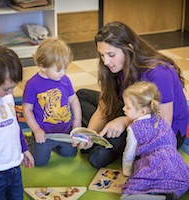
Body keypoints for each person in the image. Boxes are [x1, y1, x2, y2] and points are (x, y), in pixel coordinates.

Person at [75, 21, 188, 169]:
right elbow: (103, 108)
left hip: (162, 131)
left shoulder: (159, 73)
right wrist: (89, 134)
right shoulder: (112, 67)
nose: (106, 61)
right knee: (81, 95)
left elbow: (162, 124)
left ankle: (116, 140)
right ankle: (112, 138)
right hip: (132, 110)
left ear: (129, 48)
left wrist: (124, 121)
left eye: (111, 55)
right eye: (102, 55)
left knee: (96, 159)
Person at [120, 81, 189, 200]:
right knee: (177, 183)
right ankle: (170, 193)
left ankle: (160, 198)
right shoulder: (159, 119)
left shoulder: (134, 128)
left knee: (126, 196)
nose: (123, 108)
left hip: (153, 163)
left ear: (142, 112)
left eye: (127, 106)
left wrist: (127, 173)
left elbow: (129, 155)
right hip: (175, 163)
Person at [22, 38, 82, 166]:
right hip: (45, 134)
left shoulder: (65, 79)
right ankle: (29, 142)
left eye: (65, 68)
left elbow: (73, 100)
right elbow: (27, 109)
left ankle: (54, 146)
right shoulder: (32, 84)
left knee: (70, 154)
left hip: (65, 131)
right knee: (39, 162)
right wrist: (36, 130)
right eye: (58, 70)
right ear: (42, 66)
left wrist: (77, 122)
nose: (63, 73)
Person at [0, 47, 34, 200]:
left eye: (13, 88)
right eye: (6, 89)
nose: (10, 93)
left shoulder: (7, 96)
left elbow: (14, 126)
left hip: (14, 166)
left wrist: (24, 148)